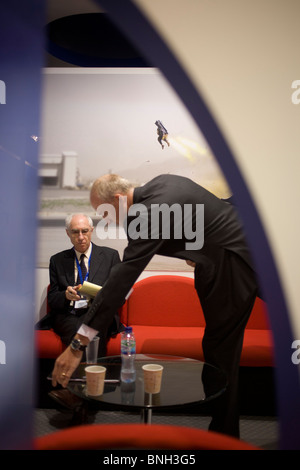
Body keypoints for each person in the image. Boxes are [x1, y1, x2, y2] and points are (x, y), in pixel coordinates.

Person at [51, 174, 260, 437]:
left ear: (117, 199)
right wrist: (199, 248)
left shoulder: (147, 216)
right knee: (219, 348)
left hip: (233, 260)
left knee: (221, 351)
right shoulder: (163, 183)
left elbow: (120, 282)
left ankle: (225, 438)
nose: (105, 219)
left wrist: (77, 344)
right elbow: (210, 209)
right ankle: (223, 433)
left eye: (103, 212)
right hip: (235, 250)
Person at [39, 213, 122, 408]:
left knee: (91, 325)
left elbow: (118, 293)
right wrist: (66, 296)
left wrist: (99, 296)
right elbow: (53, 298)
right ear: (68, 233)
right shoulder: (58, 260)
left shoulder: (110, 256)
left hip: (100, 314)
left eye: (85, 231)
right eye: (75, 232)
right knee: (77, 326)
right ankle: (89, 392)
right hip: (69, 313)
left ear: (92, 230)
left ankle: (73, 391)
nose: (81, 237)